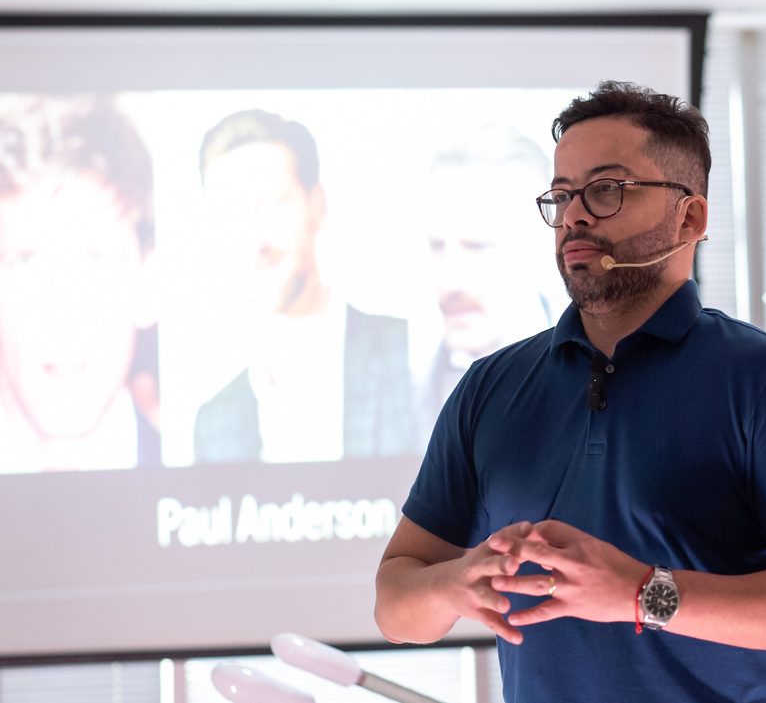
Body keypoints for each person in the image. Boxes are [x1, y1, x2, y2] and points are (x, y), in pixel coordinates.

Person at [375, 82, 766, 702]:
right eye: (562, 195)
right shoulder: (489, 387)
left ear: (689, 218)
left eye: (606, 189)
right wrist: (450, 586)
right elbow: (395, 607)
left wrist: (643, 594)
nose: (574, 216)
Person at [192, 109, 416, 464]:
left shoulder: (412, 358)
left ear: (317, 205)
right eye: (232, 215)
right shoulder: (214, 424)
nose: (255, 242)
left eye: (273, 204)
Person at [0, 95, 161, 473]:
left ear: (149, 284)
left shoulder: (217, 484)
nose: (62, 313)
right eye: (25, 262)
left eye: (94, 260)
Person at [417, 125, 559, 438]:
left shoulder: (604, 377)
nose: (450, 280)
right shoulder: (396, 399)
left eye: (476, 246)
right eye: (437, 246)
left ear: (540, 248)